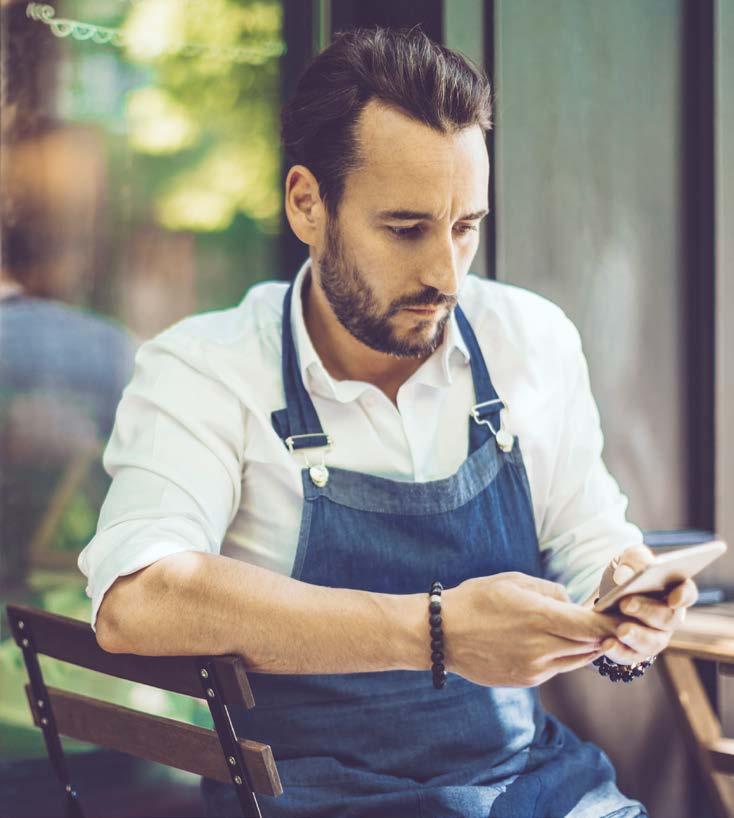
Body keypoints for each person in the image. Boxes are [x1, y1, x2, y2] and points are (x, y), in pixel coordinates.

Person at [78, 26, 698, 818]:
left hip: (531, 787)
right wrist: (432, 632)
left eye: (465, 226)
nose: (445, 272)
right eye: (405, 229)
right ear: (308, 203)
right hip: (312, 798)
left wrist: (625, 603)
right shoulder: (205, 368)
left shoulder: (530, 340)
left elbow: (589, 537)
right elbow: (138, 598)